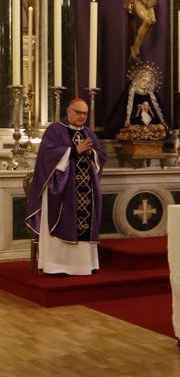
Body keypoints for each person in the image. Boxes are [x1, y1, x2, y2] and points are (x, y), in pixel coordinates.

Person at [26, 98, 107, 276]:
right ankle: (56, 265)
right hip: (62, 190)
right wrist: (74, 150)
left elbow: (101, 154)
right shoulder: (55, 130)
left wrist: (91, 153)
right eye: (78, 112)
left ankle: (83, 265)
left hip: (86, 191)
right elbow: (47, 155)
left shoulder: (88, 132)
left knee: (84, 224)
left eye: (85, 114)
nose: (82, 117)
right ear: (69, 111)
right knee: (62, 220)